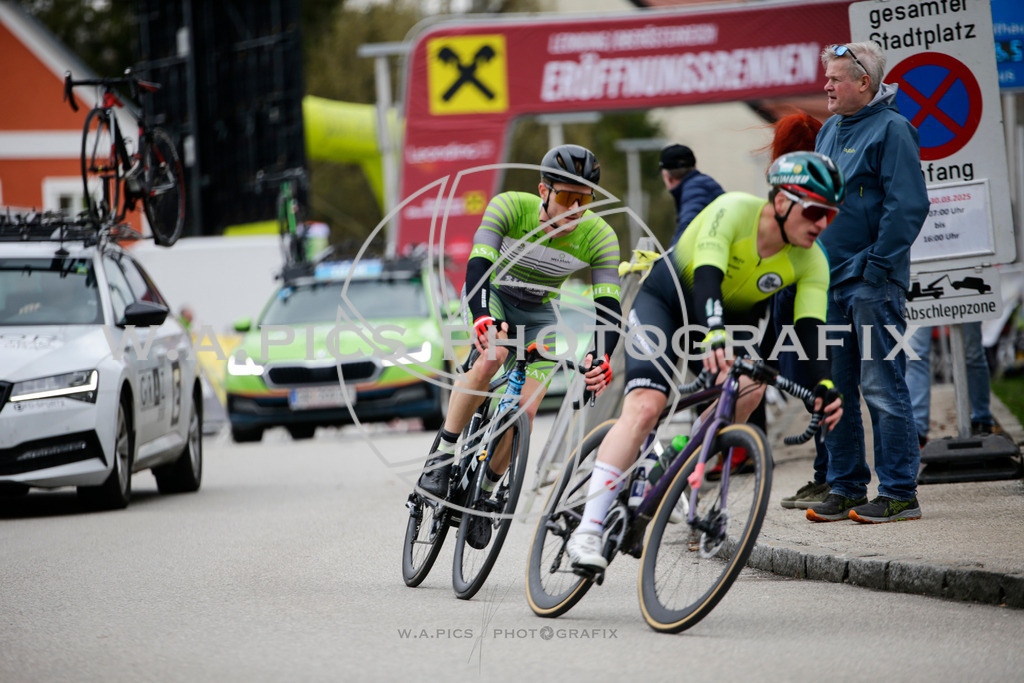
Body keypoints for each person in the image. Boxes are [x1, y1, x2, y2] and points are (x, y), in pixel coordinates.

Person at [566, 151, 846, 571]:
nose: (822, 224)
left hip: (731, 320)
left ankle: (675, 460)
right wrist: (713, 331)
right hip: (671, 299)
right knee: (646, 406)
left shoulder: (812, 259)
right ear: (783, 202)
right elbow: (708, 274)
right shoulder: (733, 209)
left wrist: (824, 385)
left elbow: (810, 328)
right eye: (814, 211)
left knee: (749, 392)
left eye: (831, 214)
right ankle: (587, 529)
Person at [416, 144, 622, 546]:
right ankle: (441, 456)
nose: (573, 209)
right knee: (493, 355)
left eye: (583, 200)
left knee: (523, 409)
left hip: (539, 312)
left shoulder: (600, 235)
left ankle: (486, 494)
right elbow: (477, 267)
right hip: (492, 294)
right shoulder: (510, 207)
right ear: (543, 192)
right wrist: (481, 317)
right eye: (565, 197)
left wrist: (602, 355)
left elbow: (609, 307)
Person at [808, 41, 930, 525]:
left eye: (836, 78)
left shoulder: (894, 129)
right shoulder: (829, 131)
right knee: (835, 389)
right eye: (828, 78)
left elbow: (908, 206)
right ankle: (846, 486)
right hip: (827, 283)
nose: (827, 86)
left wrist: (878, 266)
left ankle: (900, 493)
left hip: (870, 282)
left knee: (882, 385)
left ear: (865, 82)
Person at [757, 112, 834, 510]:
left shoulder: (792, 186)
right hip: (804, 293)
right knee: (821, 385)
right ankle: (827, 474)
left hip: (800, 294)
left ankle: (831, 478)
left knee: (816, 387)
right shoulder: (825, 181)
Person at [905, 322, 995, 445]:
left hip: (965, 302)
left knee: (972, 353)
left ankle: (982, 422)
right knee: (914, 354)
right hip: (922, 302)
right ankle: (916, 431)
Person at [659, 143, 724, 248]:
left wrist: (668, 261)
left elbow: (686, 236)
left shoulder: (695, 188)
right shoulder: (703, 184)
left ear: (667, 176)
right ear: (694, 166)